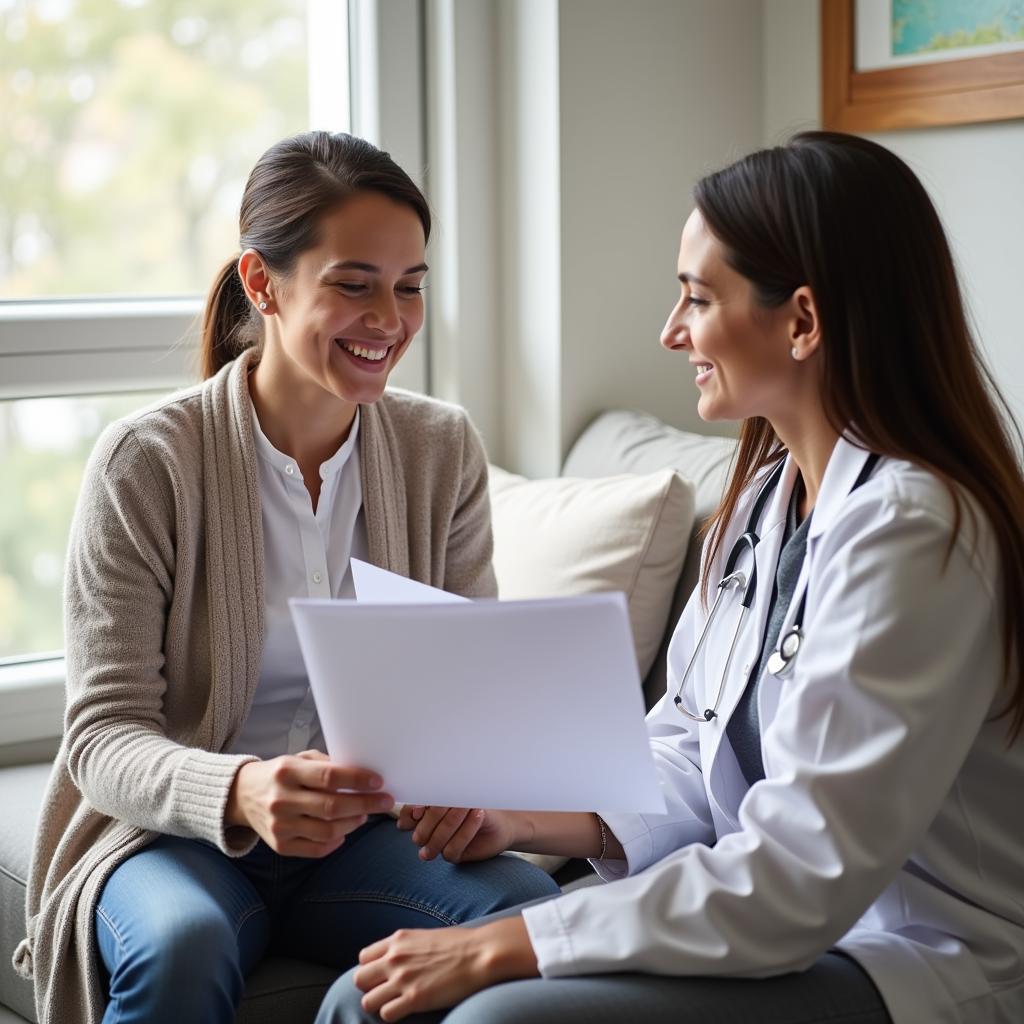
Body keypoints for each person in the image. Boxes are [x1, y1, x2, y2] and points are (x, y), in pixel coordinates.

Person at [316, 131, 1024, 1024]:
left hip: (908, 952)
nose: (671, 330)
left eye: (696, 297)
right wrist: (523, 817)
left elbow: (802, 873)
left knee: (488, 1017)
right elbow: (689, 748)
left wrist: (509, 943)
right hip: (759, 918)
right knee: (363, 996)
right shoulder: (766, 503)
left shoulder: (915, 532)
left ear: (803, 321)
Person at [11, 130, 557, 1024]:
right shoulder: (146, 463)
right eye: (355, 284)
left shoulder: (441, 447)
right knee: (182, 942)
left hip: (366, 842)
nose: (390, 318)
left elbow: (460, 693)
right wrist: (239, 790)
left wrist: (465, 776)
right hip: (175, 837)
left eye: (410, 286)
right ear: (263, 283)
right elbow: (103, 737)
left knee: (529, 919)